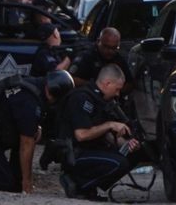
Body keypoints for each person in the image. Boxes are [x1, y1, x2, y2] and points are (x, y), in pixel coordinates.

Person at [57, 64, 141, 200]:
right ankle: (78, 184)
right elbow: (81, 135)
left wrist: (127, 144)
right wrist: (110, 125)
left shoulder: (100, 101)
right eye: (117, 89)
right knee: (120, 163)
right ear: (107, 83)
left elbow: (105, 135)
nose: (118, 94)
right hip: (75, 154)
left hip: (92, 150)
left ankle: (89, 188)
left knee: (133, 155)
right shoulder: (81, 97)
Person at [68, 27, 133, 89]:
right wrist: (96, 87)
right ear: (98, 41)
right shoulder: (87, 55)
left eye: (114, 48)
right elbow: (72, 79)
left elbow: (129, 83)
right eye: (106, 47)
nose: (110, 51)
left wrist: (115, 90)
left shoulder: (118, 58)